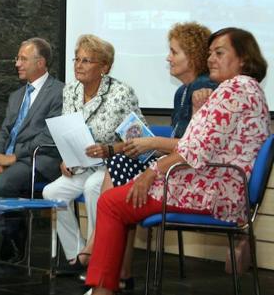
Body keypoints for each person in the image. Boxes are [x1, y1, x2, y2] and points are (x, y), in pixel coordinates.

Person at [85, 27, 270, 295]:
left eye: (220, 53)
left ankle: (104, 288)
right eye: (210, 53)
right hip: (216, 185)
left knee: (112, 203)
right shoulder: (243, 89)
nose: (211, 59)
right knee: (114, 200)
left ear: (243, 59)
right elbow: (200, 142)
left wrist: (150, 172)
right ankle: (110, 283)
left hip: (213, 191)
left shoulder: (235, 89)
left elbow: (195, 148)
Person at [78, 22, 218, 290]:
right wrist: (143, 145)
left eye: (174, 52)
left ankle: (106, 259)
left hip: (184, 172)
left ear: (193, 55)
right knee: (120, 163)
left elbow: (193, 147)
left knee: (118, 169)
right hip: (170, 163)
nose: (168, 57)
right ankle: (119, 269)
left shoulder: (204, 88)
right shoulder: (182, 92)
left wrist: (149, 144)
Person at [42, 34, 143, 273]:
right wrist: (65, 159)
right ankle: (77, 255)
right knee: (51, 192)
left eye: (86, 61)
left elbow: (138, 139)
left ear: (104, 67)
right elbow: (68, 130)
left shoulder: (121, 93)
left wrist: (109, 149)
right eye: (76, 59)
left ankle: (98, 257)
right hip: (81, 165)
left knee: (93, 188)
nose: (78, 65)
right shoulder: (71, 91)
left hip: (113, 167)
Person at [0, 37, 64, 261]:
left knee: (4, 183)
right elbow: (4, 130)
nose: (17, 63)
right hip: (7, 158)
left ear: (41, 63)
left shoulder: (59, 92)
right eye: (18, 58)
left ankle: (13, 242)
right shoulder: (16, 96)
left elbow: (49, 136)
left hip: (36, 159)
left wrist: (12, 157)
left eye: (23, 59)